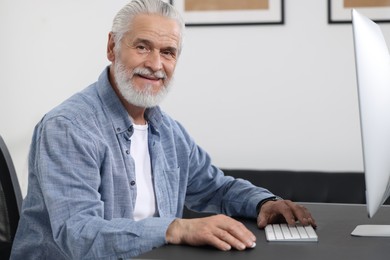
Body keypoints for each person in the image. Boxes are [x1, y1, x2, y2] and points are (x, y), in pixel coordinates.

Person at [10, 0, 316, 259]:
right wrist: (176, 228)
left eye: (168, 52)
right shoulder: (69, 127)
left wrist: (264, 202)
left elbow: (216, 188)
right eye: (143, 47)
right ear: (112, 47)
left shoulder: (167, 131)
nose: (156, 64)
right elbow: (78, 233)